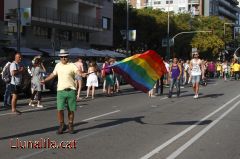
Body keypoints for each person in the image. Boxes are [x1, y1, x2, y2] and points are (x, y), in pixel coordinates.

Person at [42, 49, 85, 134]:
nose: (64, 58)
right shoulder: (58, 65)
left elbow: (78, 72)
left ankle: (70, 125)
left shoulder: (72, 65)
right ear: (60, 57)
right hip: (60, 91)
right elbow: (53, 74)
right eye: (62, 57)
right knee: (60, 109)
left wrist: (81, 74)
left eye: (65, 57)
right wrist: (45, 80)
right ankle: (62, 125)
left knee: (71, 110)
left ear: (67, 57)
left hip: (71, 90)